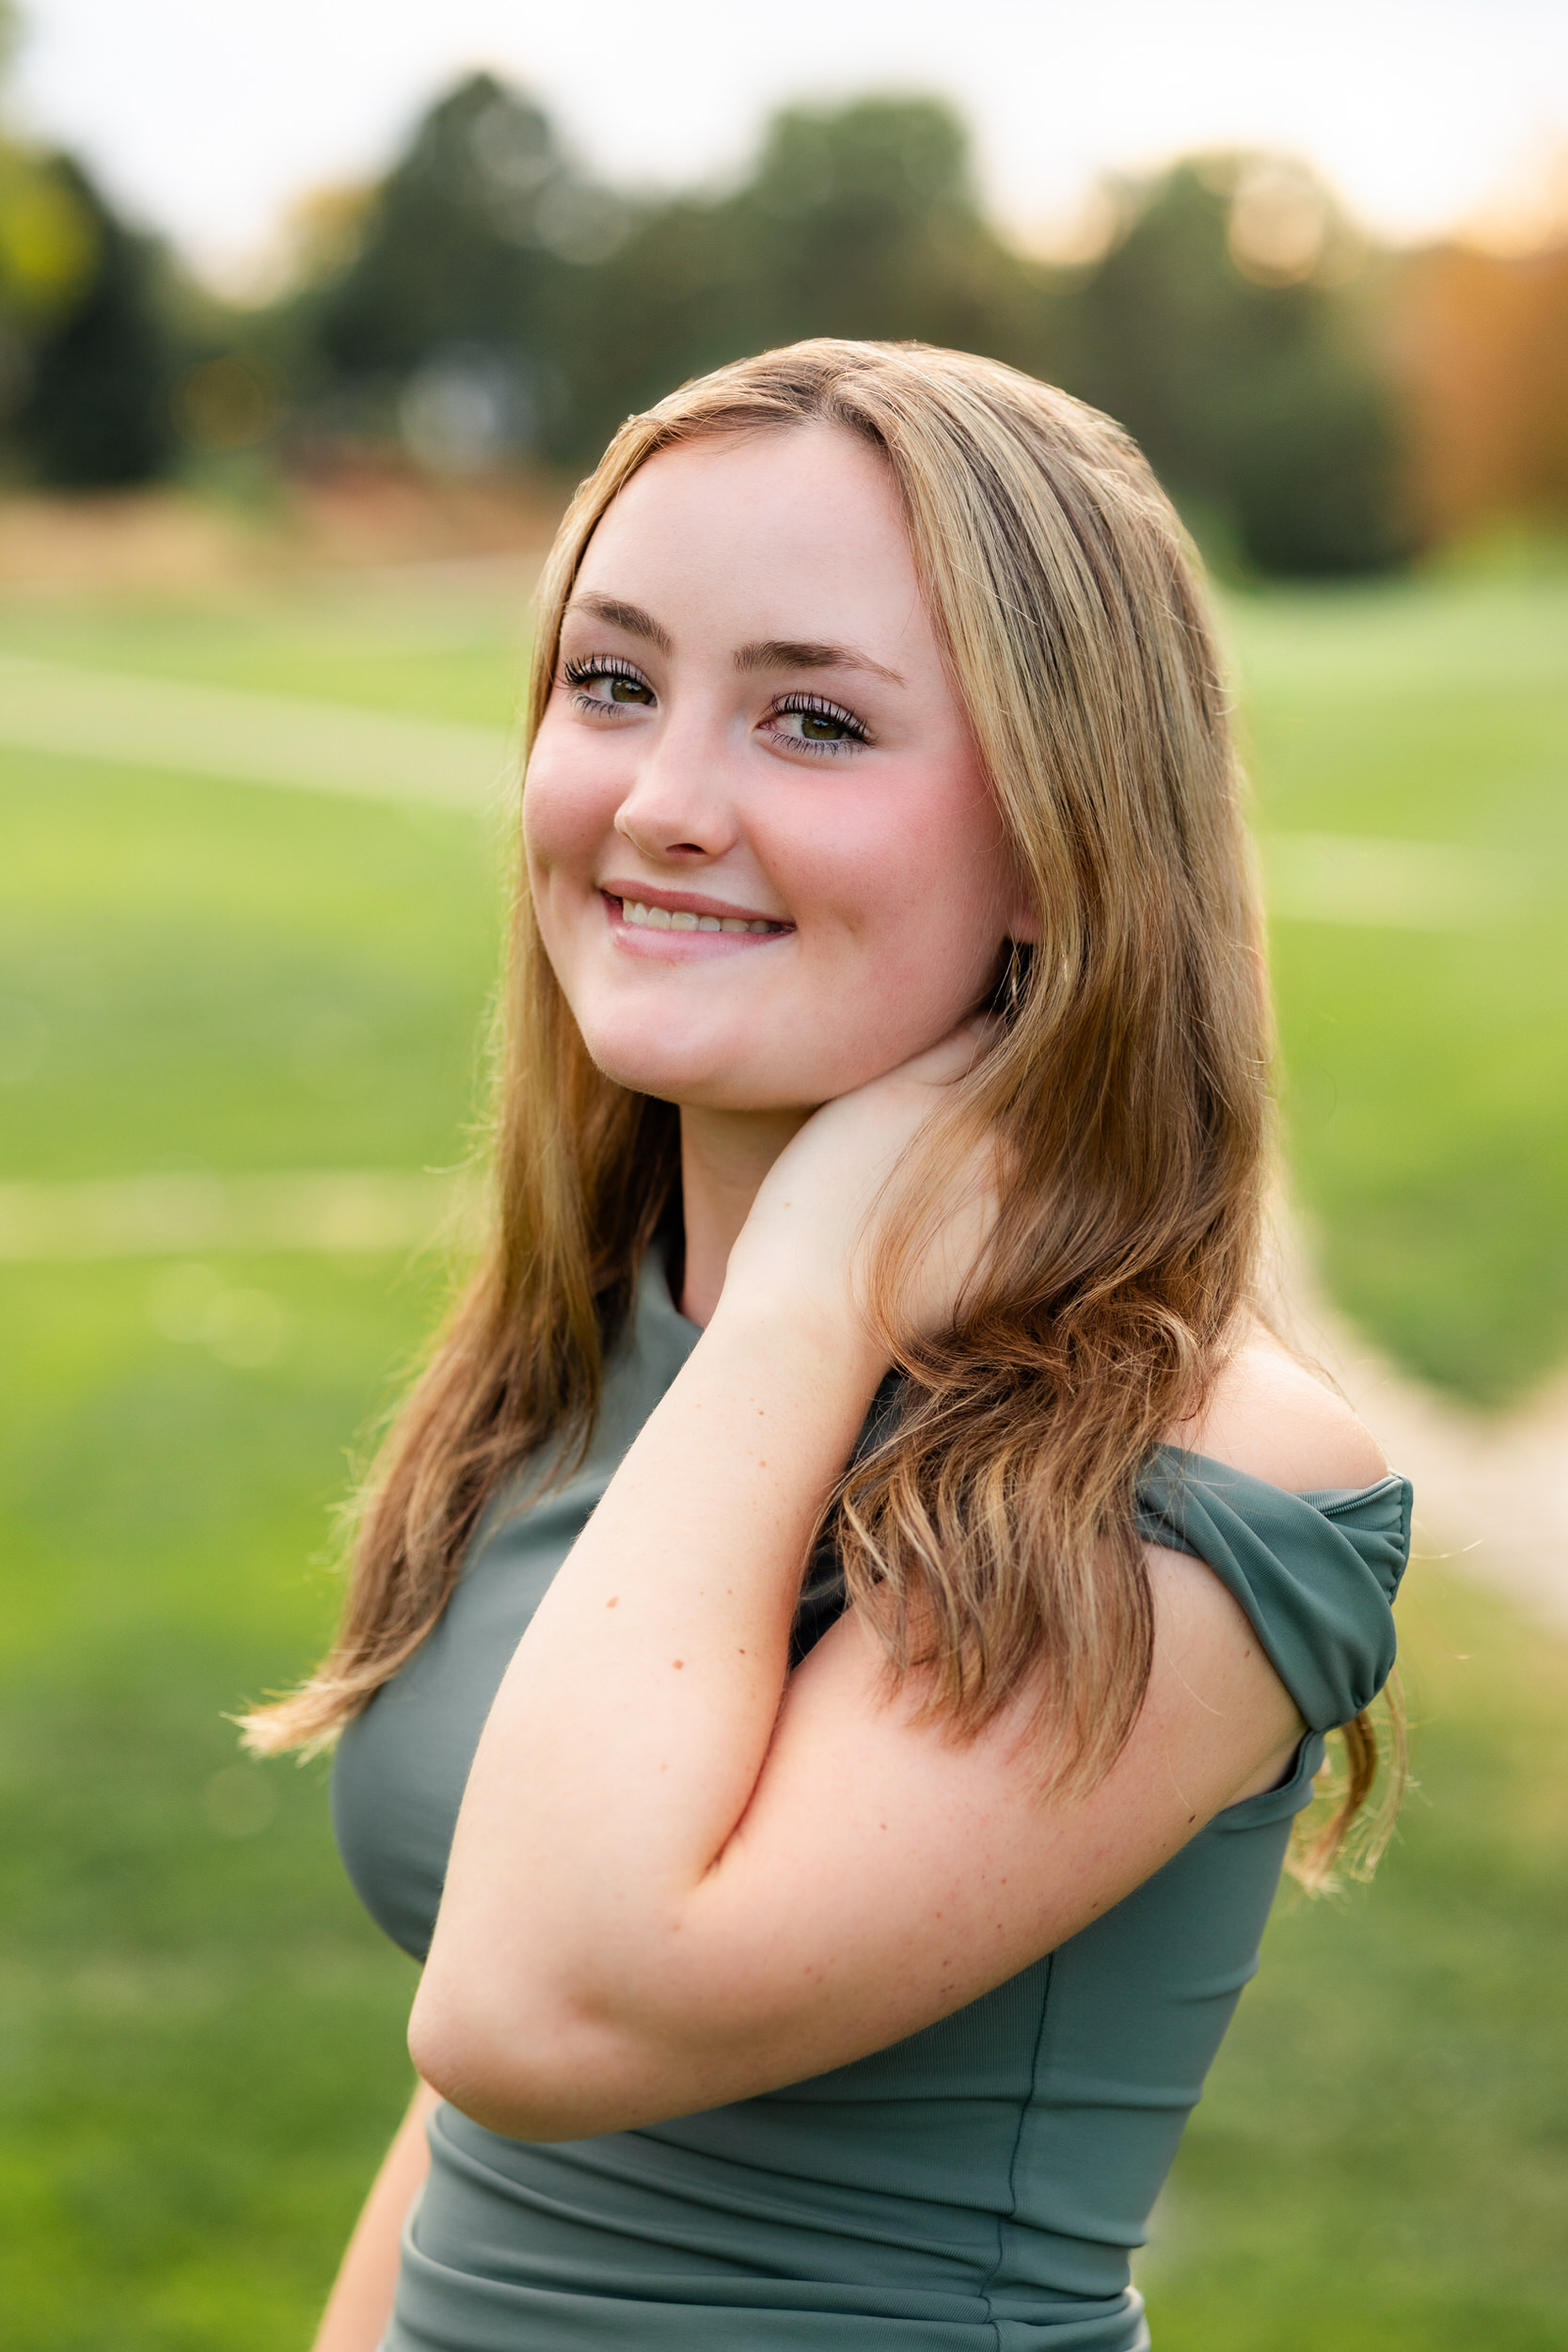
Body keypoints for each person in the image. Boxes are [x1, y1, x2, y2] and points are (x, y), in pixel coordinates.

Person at [245, 339, 1411, 2352]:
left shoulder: (1201, 1469)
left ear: (1056, 841)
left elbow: (544, 2007)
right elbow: (464, 2113)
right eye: (611, 683)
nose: (660, 803)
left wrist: (817, 1294)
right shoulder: (610, 1336)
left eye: (813, 718)